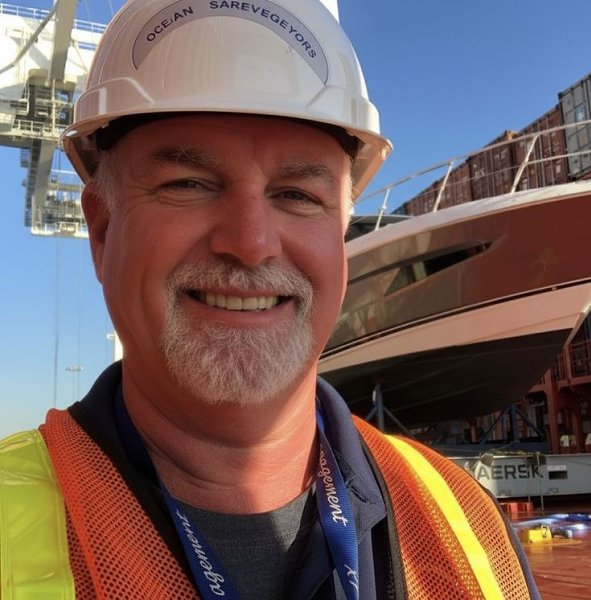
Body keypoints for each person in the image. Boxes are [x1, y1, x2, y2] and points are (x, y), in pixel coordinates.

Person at [0, 0, 540, 598]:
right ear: (102, 231)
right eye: (189, 184)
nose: (251, 243)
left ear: (340, 235)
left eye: (298, 195)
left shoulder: (468, 524)